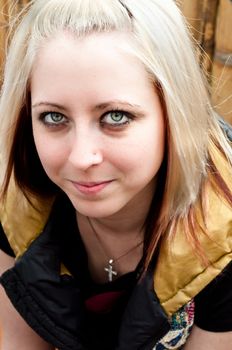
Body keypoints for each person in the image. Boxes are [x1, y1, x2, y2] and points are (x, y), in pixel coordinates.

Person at [0, 0, 231, 349]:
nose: (81, 157)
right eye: (54, 117)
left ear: (175, 111)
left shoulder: (223, 238)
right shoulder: (14, 199)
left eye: (116, 117)